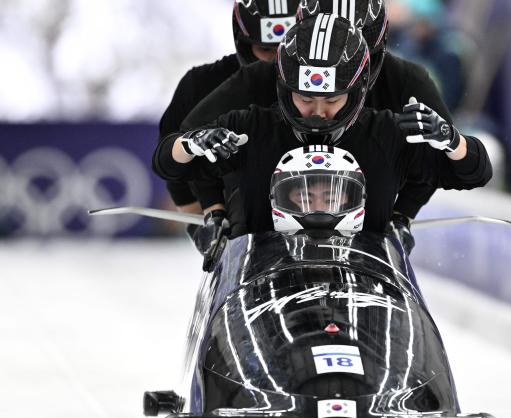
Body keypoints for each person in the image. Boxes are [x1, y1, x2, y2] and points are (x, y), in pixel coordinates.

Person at [152, 15, 491, 236]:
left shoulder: (387, 134)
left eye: (331, 100)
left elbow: (474, 173)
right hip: (259, 282)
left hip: (365, 287)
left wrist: (451, 141)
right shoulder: (250, 129)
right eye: (304, 99)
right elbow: (169, 164)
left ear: (356, 93)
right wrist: (192, 144)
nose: (318, 113)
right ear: (284, 90)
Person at [158, 0, 299, 253]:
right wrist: (203, 224)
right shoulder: (201, 85)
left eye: (288, 48)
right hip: (239, 232)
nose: (279, 62)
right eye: (266, 49)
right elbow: (175, 166)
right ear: (244, 44)